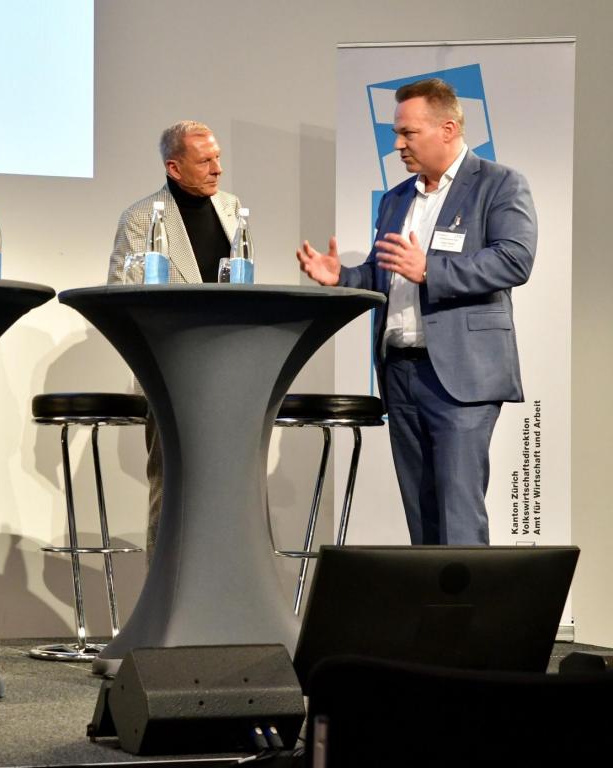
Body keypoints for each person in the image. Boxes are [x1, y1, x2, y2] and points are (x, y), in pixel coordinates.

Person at [296, 78, 536, 545]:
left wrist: (433, 270)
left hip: (462, 376)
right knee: (421, 514)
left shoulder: (499, 184)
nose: (399, 145)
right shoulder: (397, 198)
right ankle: (434, 617)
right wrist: (342, 277)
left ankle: (469, 618)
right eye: (396, 134)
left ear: (448, 128)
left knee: (459, 513)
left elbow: (514, 259)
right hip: (401, 373)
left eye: (408, 133)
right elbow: (384, 275)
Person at [106, 121, 242, 556]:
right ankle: (162, 599)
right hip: (171, 369)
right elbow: (121, 293)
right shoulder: (142, 217)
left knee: (227, 486)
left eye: (218, 157)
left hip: (228, 368)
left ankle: (220, 593)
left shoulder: (233, 208)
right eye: (205, 160)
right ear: (174, 167)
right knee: (171, 482)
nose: (218, 169)